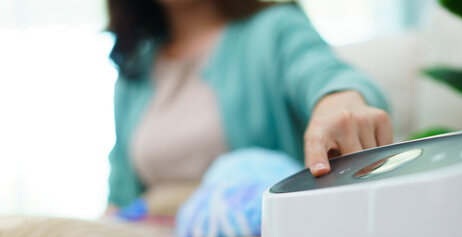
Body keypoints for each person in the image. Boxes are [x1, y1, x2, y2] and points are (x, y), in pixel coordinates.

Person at [106, 0, 392, 208]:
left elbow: (326, 74)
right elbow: (119, 198)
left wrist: (339, 102)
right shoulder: (134, 71)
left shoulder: (275, 29)